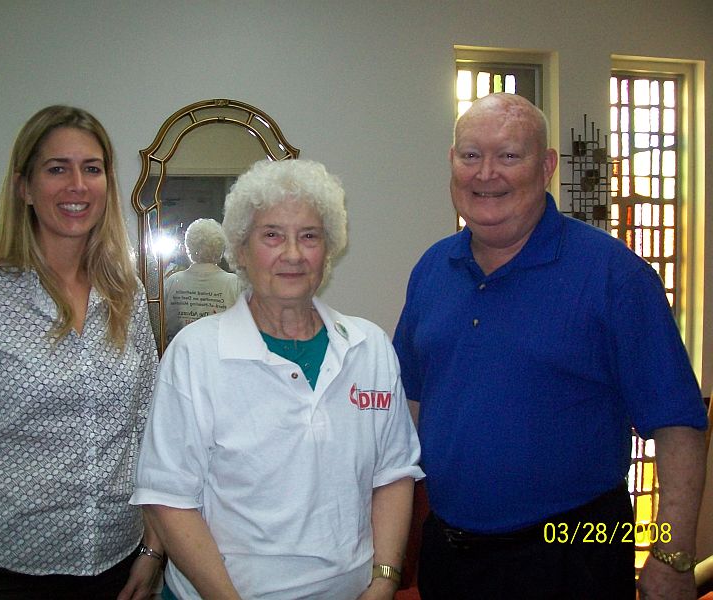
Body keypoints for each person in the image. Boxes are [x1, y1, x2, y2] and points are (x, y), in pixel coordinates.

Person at [392, 93, 707, 599]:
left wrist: (672, 556)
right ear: (452, 163)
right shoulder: (432, 269)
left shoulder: (614, 276)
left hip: (571, 552)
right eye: (470, 155)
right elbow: (406, 405)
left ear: (547, 167)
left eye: (509, 155)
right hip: (449, 554)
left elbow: (679, 425)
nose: (486, 173)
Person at [131, 159, 424, 600]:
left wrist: (385, 579)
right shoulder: (195, 353)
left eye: (309, 236)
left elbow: (393, 473)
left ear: (329, 250)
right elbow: (170, 498)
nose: (293, 254)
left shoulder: (370, 347)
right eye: (272, 235)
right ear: (241, 249)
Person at [0, 105, 162, 600]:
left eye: (92, 169)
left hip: (116, 566)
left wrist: (153, 549)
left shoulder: (125, 295)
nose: (77, 185)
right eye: (57, 169)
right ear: (24, 187)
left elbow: (151, 429)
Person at [163, 218, 240, 343]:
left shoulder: (173, 281)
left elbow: (165, 326)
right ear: (221, 247)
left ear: (189, 246)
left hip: (181, 352)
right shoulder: (234, 283)